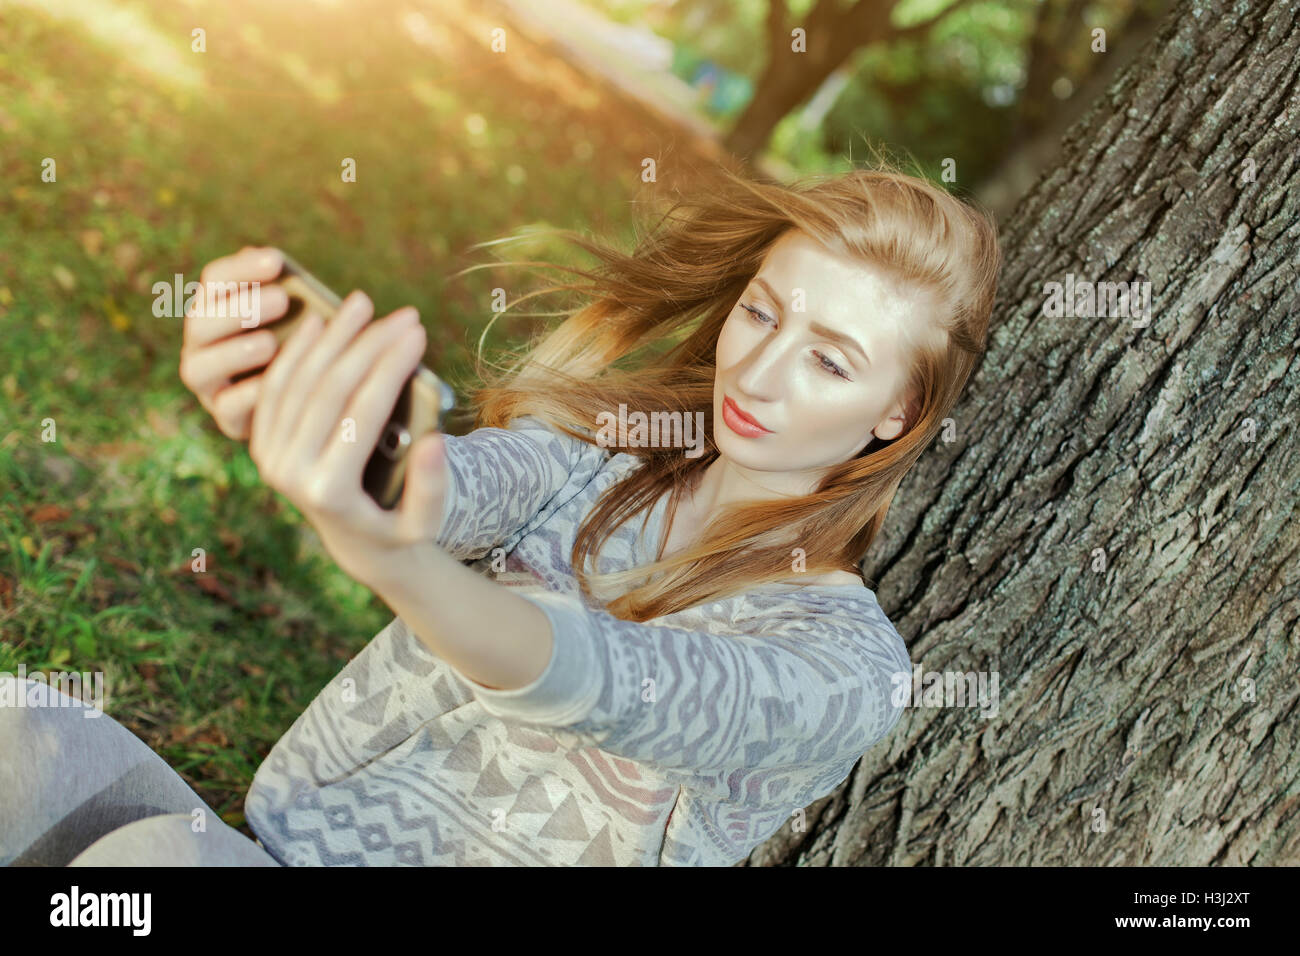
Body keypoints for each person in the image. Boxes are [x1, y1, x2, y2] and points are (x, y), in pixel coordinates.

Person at [0, 163, 1000, 866]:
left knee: (156, 864)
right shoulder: (597, 460)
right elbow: (444, 486)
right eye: (761, 310)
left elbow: (606, 680)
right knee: (20, 731)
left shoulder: (849, 666)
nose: (761, 369)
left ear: (895, 412)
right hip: (270, 849)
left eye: (829, 359)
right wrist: (309, 415)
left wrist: (391, 560)